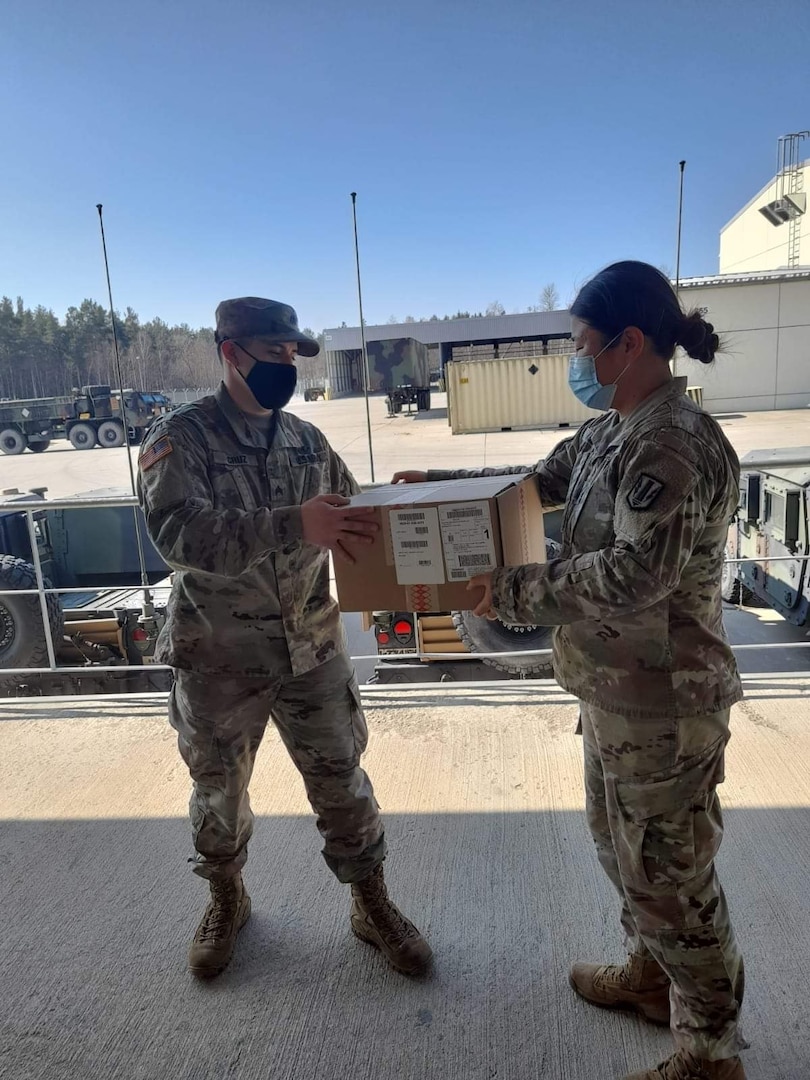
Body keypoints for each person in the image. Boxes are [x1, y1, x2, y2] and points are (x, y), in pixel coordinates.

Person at [393, 262, 747, 1079]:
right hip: (614, 690)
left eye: (583, 346)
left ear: (628, 345)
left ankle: (709, 1052)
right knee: (622, 850)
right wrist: (439, 490)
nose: (575, 362)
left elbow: (634, 576)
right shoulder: (611, 430)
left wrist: (514, 592)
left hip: (664, 702)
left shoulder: (671, 443)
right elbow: (536, 483)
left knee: (672, 878)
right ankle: (651, 978)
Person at [138, 297, 431, 981]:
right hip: (219, 657)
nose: (285, 365)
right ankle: (226, 897)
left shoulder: (307, 442)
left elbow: (351, 520)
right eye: (272, 352)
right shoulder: (180, 439)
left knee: (343, 782)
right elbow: (179, 536)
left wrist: (414, 511)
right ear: (230, 351)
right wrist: (293, 524)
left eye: (292, 354)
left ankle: (370, 902)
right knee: (219, 792)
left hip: (312, 650)